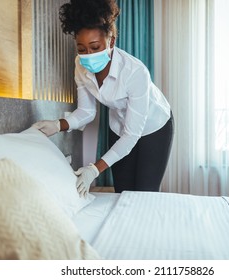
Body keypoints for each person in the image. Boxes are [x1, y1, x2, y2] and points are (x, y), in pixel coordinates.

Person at [32, 0, 173, 196]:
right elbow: (87, 112)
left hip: (154, 126)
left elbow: (131, 135)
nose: (88, 55)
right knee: (123, 191)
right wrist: (58, 125)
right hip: (119, 125)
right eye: (81, 49)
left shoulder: (135, 72)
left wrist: (94, 169)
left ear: (111, 41)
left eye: (95, 47)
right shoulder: (80, 66)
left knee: (144, 194)